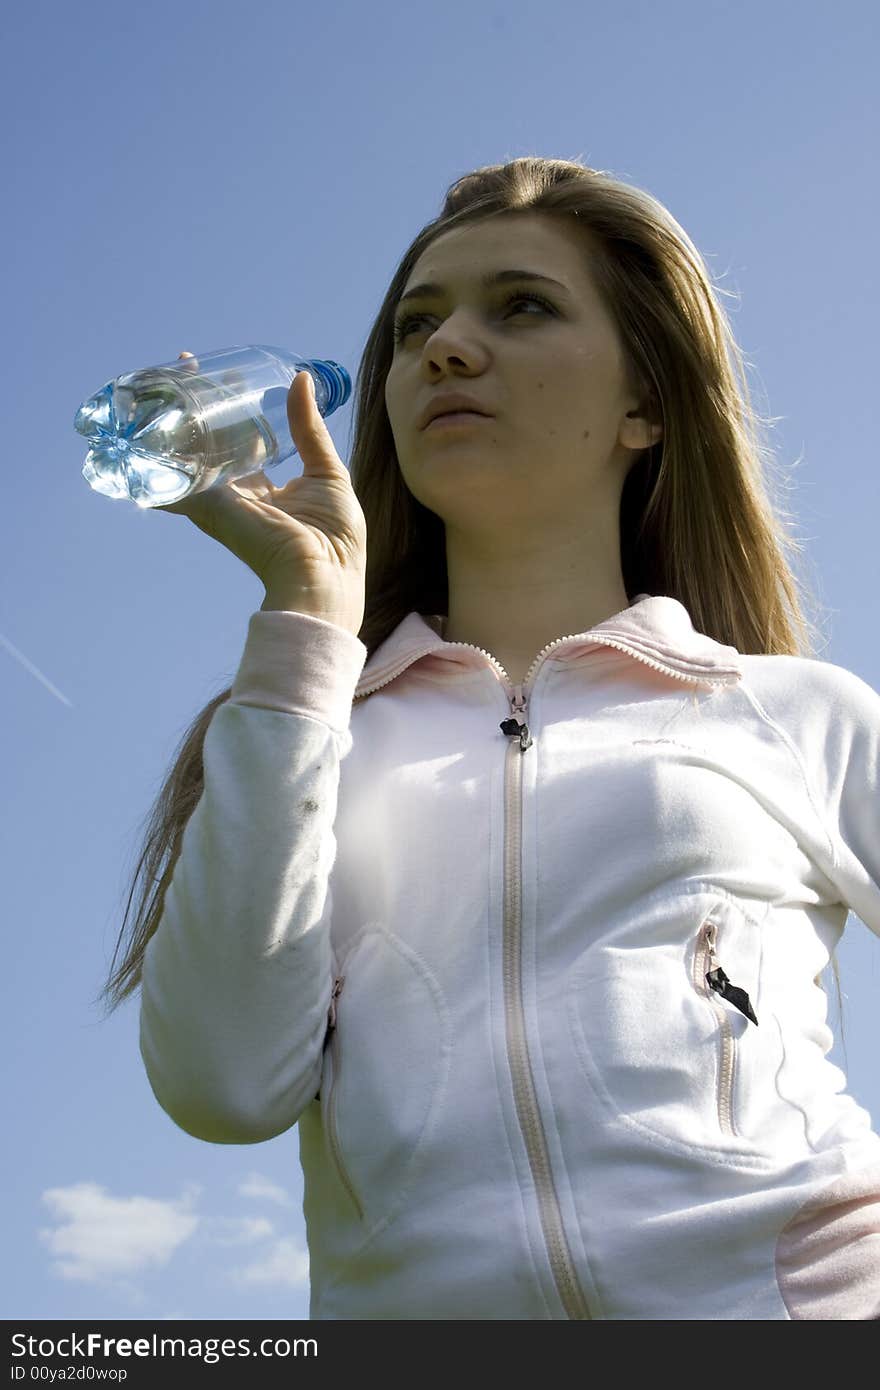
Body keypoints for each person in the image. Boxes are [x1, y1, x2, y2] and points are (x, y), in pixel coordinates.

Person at [97, 157, 880, 1320]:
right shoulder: (304, 727)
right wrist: (308, 629)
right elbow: (223, 1087)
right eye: (417, 326)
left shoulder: (800, 712)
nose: (447, 349)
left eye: (521, 306)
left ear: (645, 405)